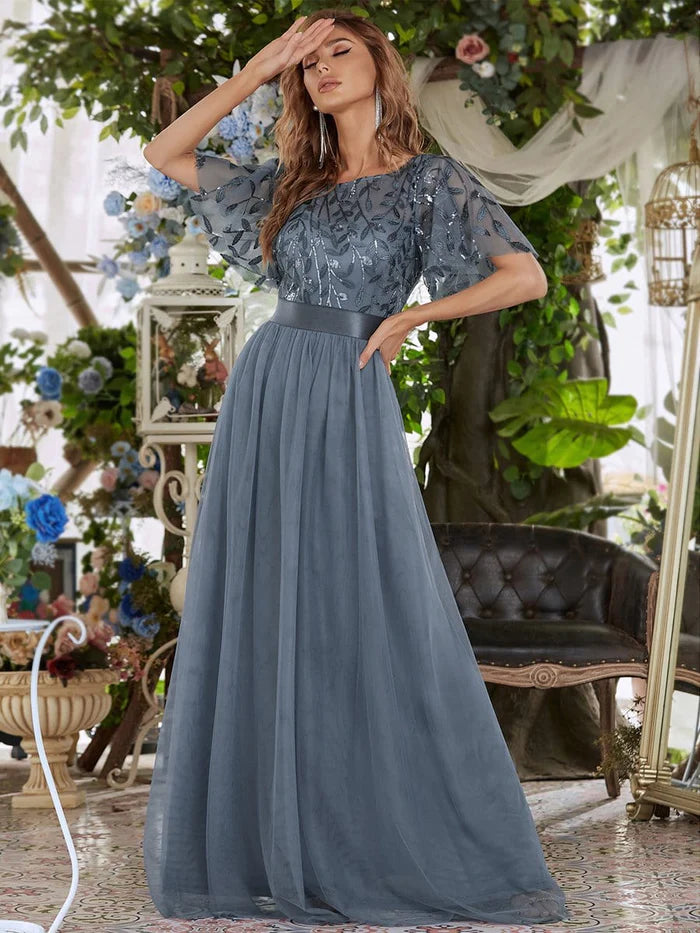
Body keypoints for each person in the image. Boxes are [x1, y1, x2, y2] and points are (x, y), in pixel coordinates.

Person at [141, 7, 569, 927]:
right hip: (268, 390)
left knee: (353, 603)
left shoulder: (427, 180)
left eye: (341, 51)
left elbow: (524, 275)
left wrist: (414, 315)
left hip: (350, 384)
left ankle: (360, 837)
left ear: (381, 65)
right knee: (267, 603)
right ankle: (270, 841)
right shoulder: (288, 182)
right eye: (310, 60)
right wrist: (258, 69)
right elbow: (165, 152)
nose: (323, 68)